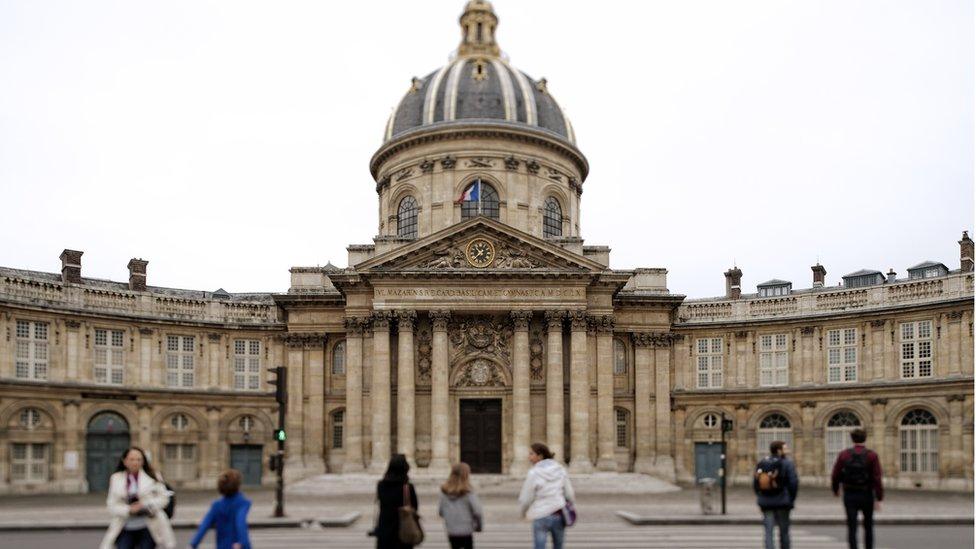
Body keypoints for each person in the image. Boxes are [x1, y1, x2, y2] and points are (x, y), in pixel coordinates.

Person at [99, 446, 177, 549]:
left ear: (143, 461)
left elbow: (164, 499)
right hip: (125, 525)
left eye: (139, 459)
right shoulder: (116, 478)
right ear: (124, 461)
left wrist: (144, 505)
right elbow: (111, 505)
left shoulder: (153, 476)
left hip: (149, 525)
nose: (135, 463)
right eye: (131, 459)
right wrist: (129, 510)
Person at [831, 428, 884, 549]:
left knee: (852, 526)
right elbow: (877, 477)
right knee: (868, 526)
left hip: (850, 494)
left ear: (852, 439)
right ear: (865, 438)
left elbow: (835, 474)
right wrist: (879, 497)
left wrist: (835, 489)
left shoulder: (844, 454)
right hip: (867, 493)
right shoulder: (872, 455)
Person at [517, 442, 575, 549]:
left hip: (541, 514)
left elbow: (526, 499)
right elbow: (570, 494)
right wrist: (569, 506)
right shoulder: (560, 469)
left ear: (540, 456)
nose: (528, 457)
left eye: (531, 454)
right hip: (558, 512)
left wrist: (523, 513)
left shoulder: (533, 473)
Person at [188, 469, 252, 549]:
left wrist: (194, 543)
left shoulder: (217, 505)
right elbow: (240, 523)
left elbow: (204, 525)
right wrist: (243, 543)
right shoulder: (242, 503)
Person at [753, 440, 799, 549]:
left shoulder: (763, 462)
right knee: (784, 532)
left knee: (768, 532)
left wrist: (761, 495)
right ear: (779, 450)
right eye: (785, 448)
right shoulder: (787, 463)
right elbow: (793, 483)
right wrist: (791, 499)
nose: (787, 451)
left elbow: (755, 483)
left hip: (766, 502)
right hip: (783, 502)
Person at [374, 454, 420, 549]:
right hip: (403, 531)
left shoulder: (381, 485)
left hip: (384, 529)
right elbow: (414, 507)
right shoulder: (407, 487)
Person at [438, 462, 484, 549]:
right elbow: (478, 511)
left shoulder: (444, 492)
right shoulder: (469, 492)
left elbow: (441, 512)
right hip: (466, 530)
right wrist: (479, 527)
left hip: (451, 530)